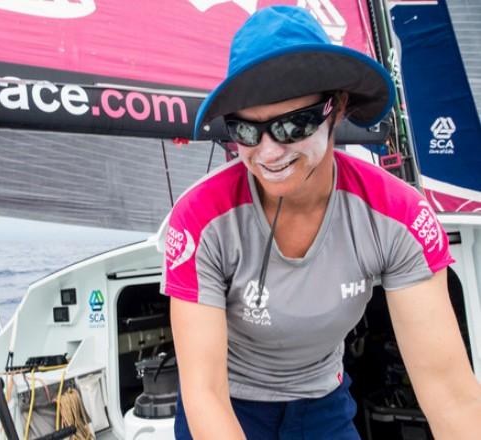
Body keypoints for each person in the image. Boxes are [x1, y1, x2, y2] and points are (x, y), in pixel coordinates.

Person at [160, 5, 481, 440]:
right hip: (227, 402)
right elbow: (206, 394)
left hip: (321, 402)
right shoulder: (201, 220)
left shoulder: (398, 217)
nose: (269, 154)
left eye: (293, 125)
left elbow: (449, 393)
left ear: (338, 108)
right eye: (247, 132)